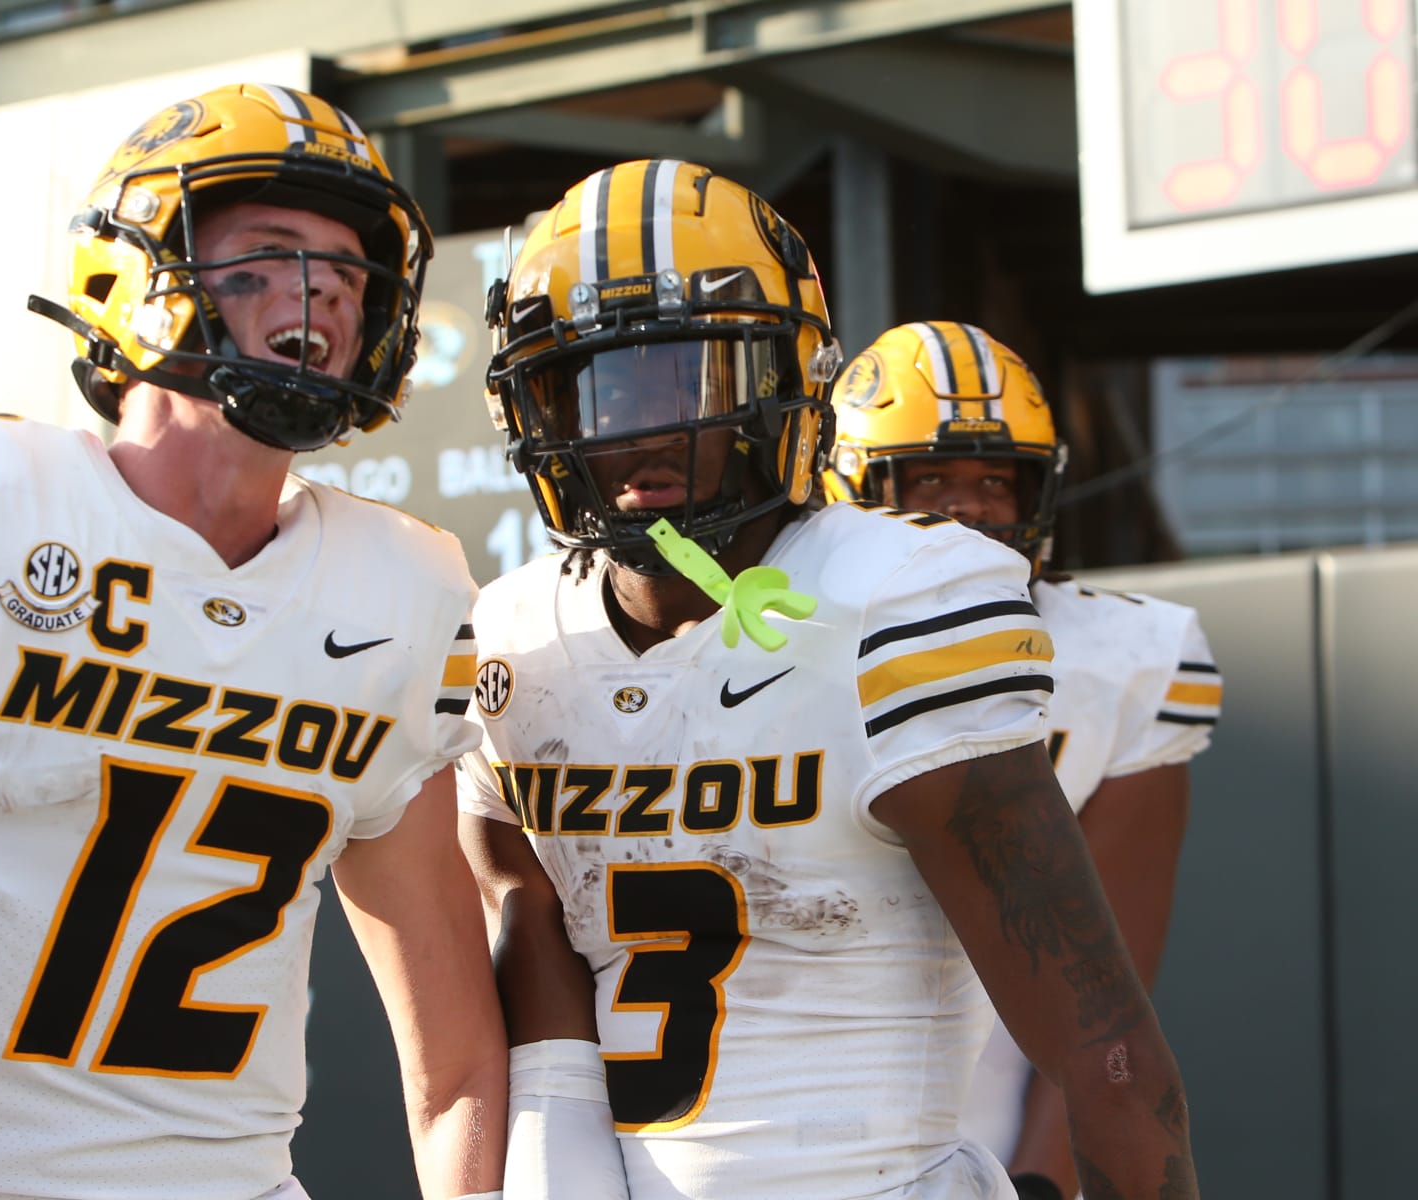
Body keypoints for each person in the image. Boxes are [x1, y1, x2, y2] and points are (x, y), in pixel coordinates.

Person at [0, 83, 506, 1200]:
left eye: (347, 273)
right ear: (134, 277)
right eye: (264, 260)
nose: (316, 300)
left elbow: (457, 1068)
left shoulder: (399, 591)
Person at [455, 159, 1199, 1199]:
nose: (637, 424)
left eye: (689, 373)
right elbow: (545, 1049)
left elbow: (1107, 1050)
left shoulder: (896, 602)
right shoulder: (513, 641)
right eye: (590, 381)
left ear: (785, 375)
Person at [826, 321, 1222, 1200]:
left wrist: (1042, 1180)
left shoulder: (1130, 659)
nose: (968, 509)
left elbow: (1104, 994)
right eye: (929, 477)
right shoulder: (769, 645)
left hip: (990, 1104)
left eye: (997, 482)